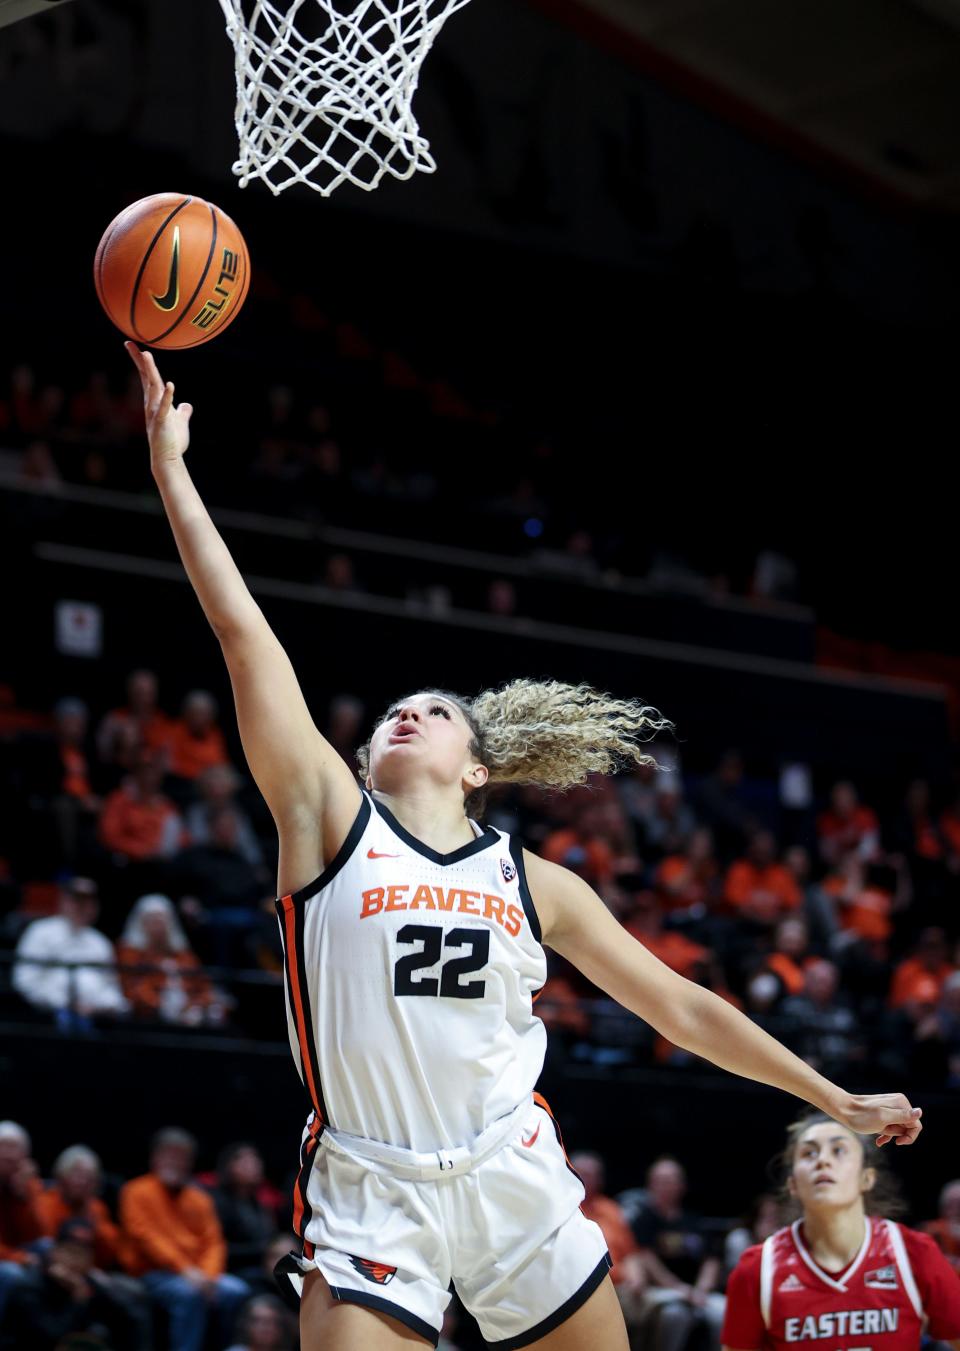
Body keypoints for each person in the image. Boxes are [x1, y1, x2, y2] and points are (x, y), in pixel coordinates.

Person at [128, 340, 924, 1351]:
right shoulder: (330, 820)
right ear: (366, 758)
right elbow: (243, 634)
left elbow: (680, 1005)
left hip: (514, 1176)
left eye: (436, 711)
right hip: (377, 1187)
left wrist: (832, 1094)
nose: (407, 715)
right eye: (392, 713)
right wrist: (171, 470)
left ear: (477, 768)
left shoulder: (534, 879)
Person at [722, 1112, 960, 1351]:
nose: (822, 1161)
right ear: (793, 1183)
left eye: (838, 1150)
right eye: (808, 1153)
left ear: (866, 1178)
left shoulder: (914, 1253)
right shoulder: (758, 1267)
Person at [119, 1127, 249, 1351]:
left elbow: (214, 1242)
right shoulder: (136, 1191)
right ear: (155, 1158)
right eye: (170, 1155)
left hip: (199, 1275)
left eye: (182, 1157)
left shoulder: (199, 1199)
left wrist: (208, 1276)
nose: (176, 1162)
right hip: (153, 1274)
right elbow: (145, 1239)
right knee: (189, 1294)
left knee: (237, 1291)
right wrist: (185, 1271)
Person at [629, 1156, 725, 1351]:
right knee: (675, 1315)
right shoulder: (643, 1219)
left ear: (682, 1185)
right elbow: (646, 1258)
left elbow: (711, 1259)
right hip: (661, 1291)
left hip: (697, 1291)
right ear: (651, 1185)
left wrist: (702, 1289)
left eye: (672, 1180)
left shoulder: (694, 1219)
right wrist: (679, 1288)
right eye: (662, 1180)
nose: (667, 1185)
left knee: (723, 1310)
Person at [1, 1217, 140, 1351]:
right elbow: (52, 1337)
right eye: (71, 1251)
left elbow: (127, 1321)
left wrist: (100, 1287)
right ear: (55, 1251)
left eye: (84, 1252)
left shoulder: (86, 1281)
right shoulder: (28, 1287)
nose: (76, 1260)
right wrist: (78, 1298)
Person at [11, 877, 130, 1029]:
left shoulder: (100, 942)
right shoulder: (40, 932)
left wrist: (102, 1006)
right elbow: (26, 981)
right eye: (77, 900)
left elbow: (110, 988)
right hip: (47, 1018)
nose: (82, 907)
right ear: (64, 901)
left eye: (88, 902)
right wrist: (66, 1004)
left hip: (96, 1017)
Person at [116, 892, 219, 1025]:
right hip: (148, 1019)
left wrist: (195, 1006)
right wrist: (160, 1006)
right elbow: (132, 988)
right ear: (141, 922)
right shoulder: (129, 954)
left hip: (189, 1017)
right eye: (152, 919)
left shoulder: (183, 955)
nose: (158, 924)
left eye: (162, 918)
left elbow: (204, 987)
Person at [0, 1120, 44, 1318]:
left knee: (47, 1247)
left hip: (15, 1250)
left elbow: (35, 1234)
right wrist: (20, 1259)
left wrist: (21, 1196)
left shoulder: (28, 1184)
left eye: (15, 1149)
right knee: (12, 1273)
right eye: (3, 1147)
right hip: (7, 1258)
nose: (9, 1155)